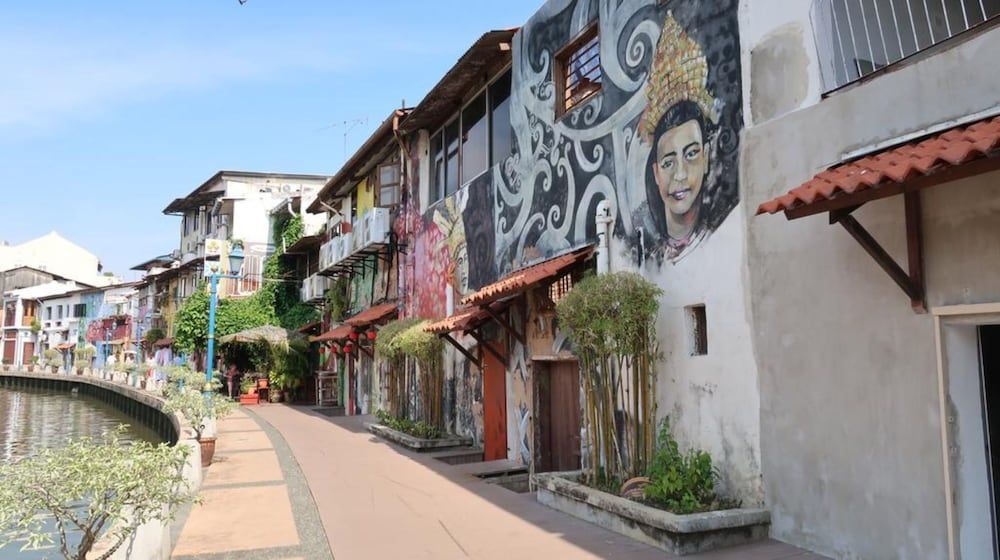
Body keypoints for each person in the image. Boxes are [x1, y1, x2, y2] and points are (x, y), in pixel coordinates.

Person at [639, 13, 720, 259]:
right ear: (656, 173)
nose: (681, 174)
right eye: (668, 162)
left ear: (706, 157)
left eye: (692, 153)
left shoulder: (724, 228)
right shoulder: (646, 253)